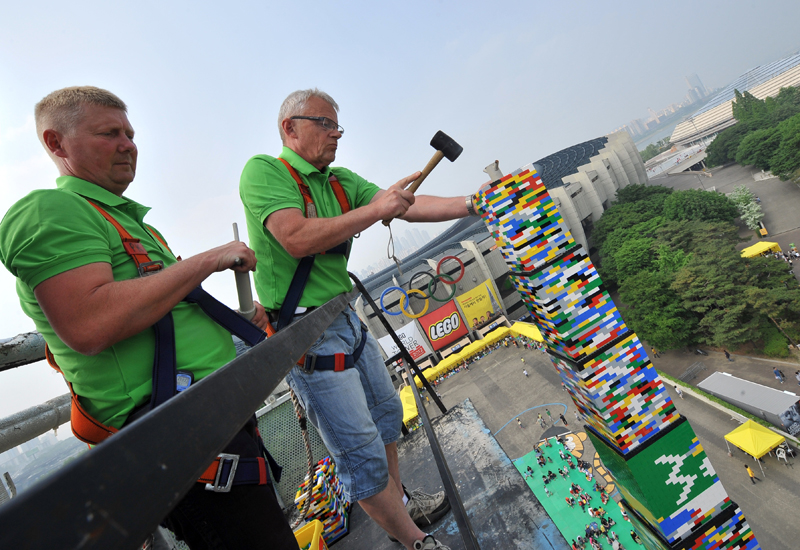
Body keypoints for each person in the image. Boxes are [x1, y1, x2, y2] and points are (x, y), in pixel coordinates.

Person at [0, 87, 297, 549]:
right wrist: (208, 259)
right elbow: (89, 324)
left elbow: (162, 308)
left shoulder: (129, 224)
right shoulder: (46, 212)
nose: (128, 144)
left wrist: (234, 320)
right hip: (175, 437)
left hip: (205, 421)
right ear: (56, 144)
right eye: (109, 133)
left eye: (130, 133)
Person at [239, 89, 475, 550]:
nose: (336, 134)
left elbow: (408, 204)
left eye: (338, 126)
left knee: (387, 417)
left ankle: (400, 506)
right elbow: (295, 237)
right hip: (307, 335)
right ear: (290, 128)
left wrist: (477, 202)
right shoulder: (264, 171)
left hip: (345, 316)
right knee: (357, 446)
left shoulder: (340, 181)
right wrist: (376, 209)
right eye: (325, 124)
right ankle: (414, 540)